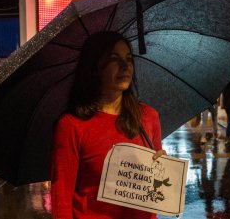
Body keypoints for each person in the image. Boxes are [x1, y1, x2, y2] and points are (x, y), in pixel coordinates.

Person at [50, 31, 166, 219]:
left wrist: (162, 168)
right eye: (114, 59)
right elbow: (62, 199)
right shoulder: (72, 125)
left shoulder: (148, 117)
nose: (125, 66)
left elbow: (153, 191)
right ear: (94, 67)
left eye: (128, 59)